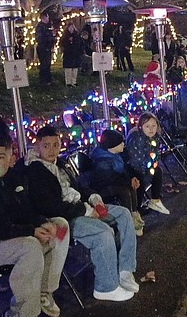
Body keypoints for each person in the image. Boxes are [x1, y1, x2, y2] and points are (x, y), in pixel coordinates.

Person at [21, 126, 138, 302]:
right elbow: (50, 207)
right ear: (37, 146)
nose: (51, 150)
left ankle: (125, 269)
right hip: (64, 219)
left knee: (123, 214)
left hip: (80, 206)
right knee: (103, 232)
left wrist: (92, 197)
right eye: (46, 146)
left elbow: (77, 187)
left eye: (55, 145)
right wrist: (86, 211)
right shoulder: (35, 171)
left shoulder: (60, 164)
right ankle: (105, 287)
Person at [0, 137, 69, 317]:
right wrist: (30, 230)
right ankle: (21, 315)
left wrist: (42, 222)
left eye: (0, 157)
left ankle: (44, 290)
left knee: (60, 227)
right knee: (30, 246)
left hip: (12, 236)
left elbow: (25, 212)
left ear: (10, 158)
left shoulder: (14, 179)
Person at [89, 129, 144, 235]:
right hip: (102, 187)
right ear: (113, 145)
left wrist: (132, 178)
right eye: (120, 143)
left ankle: (134, 213)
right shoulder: (102, 161)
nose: (123, 144)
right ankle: (127, 220)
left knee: (131, 187)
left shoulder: (116, 156)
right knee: (124, 191)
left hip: (114, 182)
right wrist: (128, 181)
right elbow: (110, 178)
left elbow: (124, 171)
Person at [126, 112, 170, 214]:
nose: (151, 129)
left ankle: (155, 200)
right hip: (133, 168)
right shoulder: (137, 138)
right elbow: (136, 160)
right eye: (147, 126)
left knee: (157, 171)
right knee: (141, 176)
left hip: (146, 165)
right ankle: (136, 208)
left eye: (153, 126)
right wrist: (148, 172)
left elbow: (153, 155)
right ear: (141, 127)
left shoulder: (155, 138)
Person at [35, 11, 56, 85]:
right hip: (43, 48)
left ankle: (47, 79)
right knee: (44, 64)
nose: (48, 19)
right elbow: (40, 38)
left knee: (47, 64)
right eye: (47, 18)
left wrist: (53, 36)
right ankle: (44, 80)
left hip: (48, 47)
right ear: (43, 18)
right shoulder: (40, 27)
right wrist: (49, 37)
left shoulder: (47, 26)